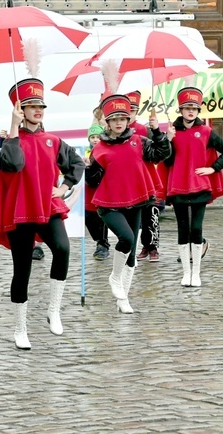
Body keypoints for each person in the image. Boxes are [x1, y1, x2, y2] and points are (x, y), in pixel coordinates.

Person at [0, 78, 85, 350]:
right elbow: (14, 164)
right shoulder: (10, 142)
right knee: (23, 270)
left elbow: (76, 163)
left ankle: (54, 309)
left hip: (47, 206)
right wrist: (13, 128)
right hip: (22, 210)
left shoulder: (53, 140)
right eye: (30, 105)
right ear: (20, 109)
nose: (37, 110)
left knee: (63, 249)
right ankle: (20, 328)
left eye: (40, 105)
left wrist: (64, 187)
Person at [86, 94, 171, 314]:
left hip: (136, 200)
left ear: (127, 120)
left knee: (131, 254)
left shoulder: (140, 141)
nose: (118, 122)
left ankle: (123, 299)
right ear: (107, 122)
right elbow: (92, 180)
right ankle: (115, 277)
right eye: (114, 119)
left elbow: (161, 154)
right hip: (109, 204)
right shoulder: (100, 148)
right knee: (127, 238)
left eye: (122, 118)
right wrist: (89, 167)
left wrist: (158, 132)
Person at [164, 87, 223, 287]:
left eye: (194, 108)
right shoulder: (172, 131)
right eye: (187, 108)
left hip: (199, 186)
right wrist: (167, 140)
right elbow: (166, 161)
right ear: (181, 109)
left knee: (196, 228)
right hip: (178, 186)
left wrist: (213, 168)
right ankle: (186, 273)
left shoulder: (206, 131)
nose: (191, 111)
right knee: (183, 229)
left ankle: (196, 273)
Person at [126, 91, 164, 263]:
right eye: (128, 110)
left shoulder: (145, 130)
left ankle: (153, 247)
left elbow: (160, 150)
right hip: (129, 181)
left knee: (151, 215)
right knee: (136, 218)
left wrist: (157, 131)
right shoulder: (116, 130)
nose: (130, 113)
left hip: (147, 178)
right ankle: (142, 245)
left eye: (133, 110)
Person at [0, 128, 46, 261]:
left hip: (39, 193)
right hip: (20, 194)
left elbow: (73, 162)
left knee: (61, 247)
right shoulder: (13, 140)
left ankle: (38, 246)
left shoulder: (49, 140)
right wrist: (3, 140)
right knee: (21, 263)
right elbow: (9, 162)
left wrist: (64, 187)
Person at [83, 123, 110, 261]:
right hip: (88, 191)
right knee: (89, 218)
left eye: (97, 137)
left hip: (101, 190)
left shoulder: (105, 151)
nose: (95, 139)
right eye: (92, 137)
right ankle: (98, 240)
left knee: (101, 219)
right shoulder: (85, 152)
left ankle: (103, 244)